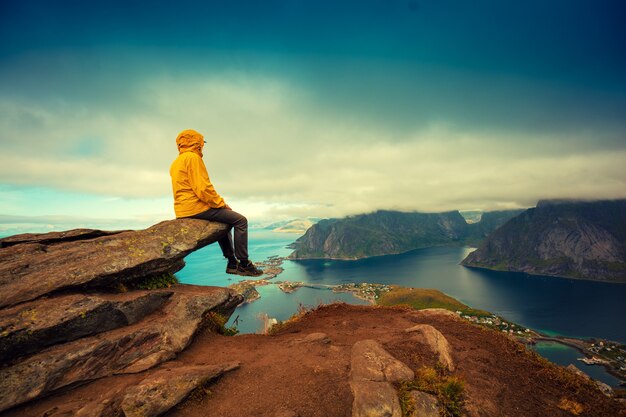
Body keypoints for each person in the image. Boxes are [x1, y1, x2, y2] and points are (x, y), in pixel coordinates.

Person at [169, 129, 263, 277]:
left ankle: (232, 263)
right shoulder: (193, 158)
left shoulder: (176, 162)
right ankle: (244, 264)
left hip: (182, 209)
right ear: (196, 143)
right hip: (196, 207)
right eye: (201, 143)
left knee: (222, 222)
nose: (203, 146)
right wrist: (221, 204)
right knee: (240, 220)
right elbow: (203, 188)